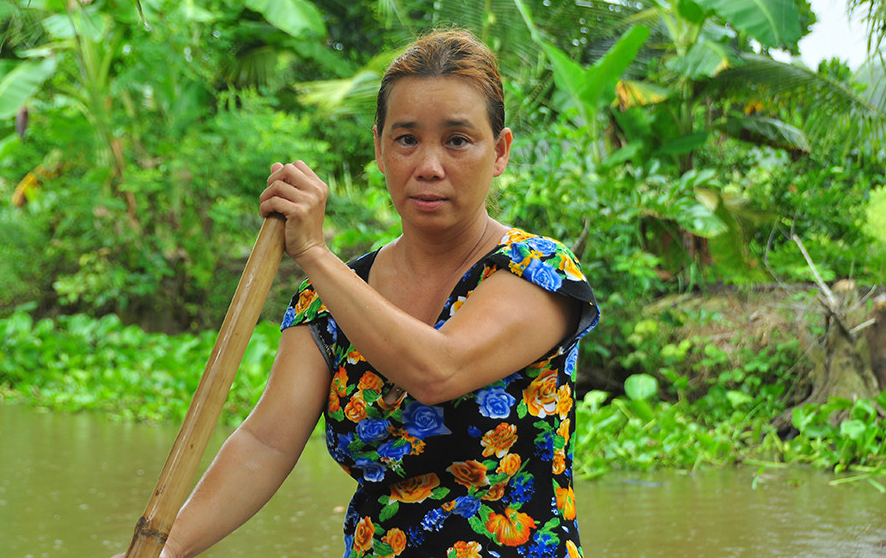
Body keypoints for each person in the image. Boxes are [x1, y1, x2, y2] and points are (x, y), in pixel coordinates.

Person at [116, 28, 599, 558]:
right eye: (406, 139)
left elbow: (440, 370)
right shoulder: (324, 303)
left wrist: (315, 253)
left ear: (500, 151)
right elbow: (266, 443)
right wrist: (167, 549)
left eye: (458, 140)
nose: (429, 166)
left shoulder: (539, 271)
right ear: (379, 148)